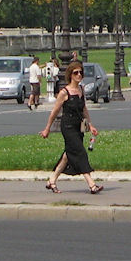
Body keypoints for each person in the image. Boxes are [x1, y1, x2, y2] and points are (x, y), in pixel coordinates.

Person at [41, 61, 102, 194]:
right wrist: (47, 128)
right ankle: (92, 184)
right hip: (68, 127)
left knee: (68, 155)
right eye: (76, 73)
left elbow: (84, 109)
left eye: (80, 72)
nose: (79, 75)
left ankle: (52, 181)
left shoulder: (81, 90)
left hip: (78, 126)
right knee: (80, 152)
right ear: (70, 75)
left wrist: (90, 125)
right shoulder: (64, 92)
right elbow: (55, 111)